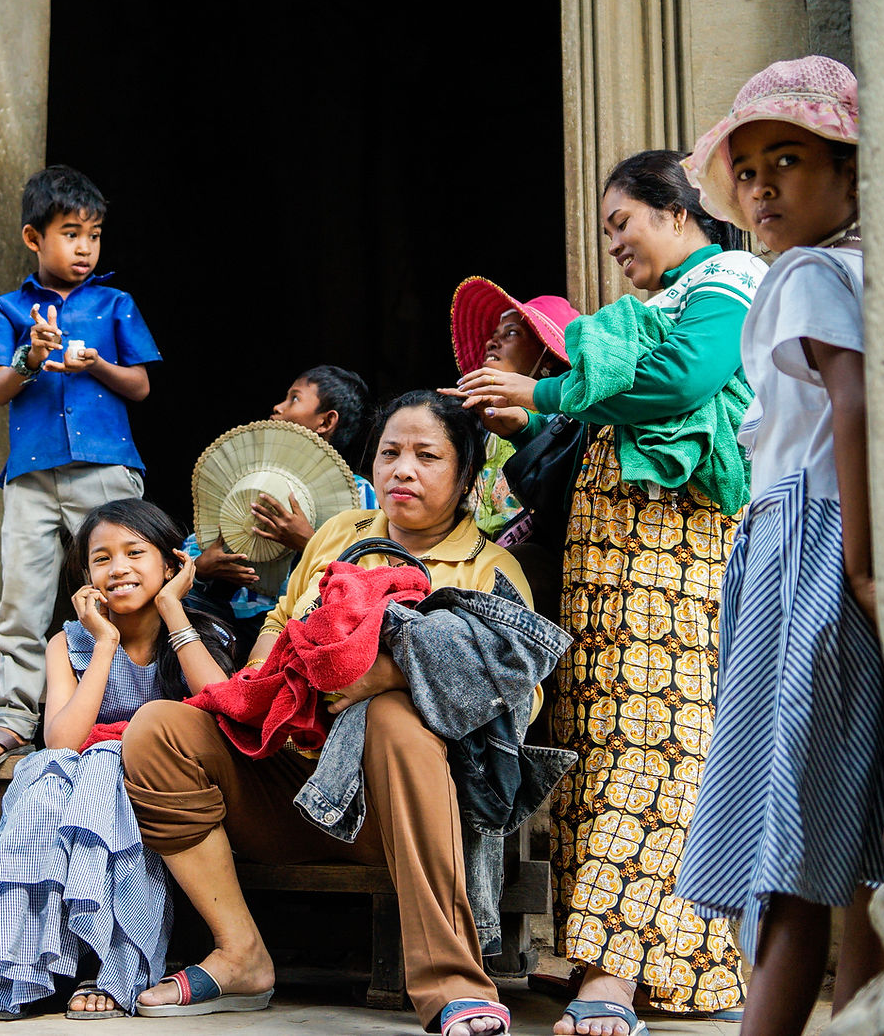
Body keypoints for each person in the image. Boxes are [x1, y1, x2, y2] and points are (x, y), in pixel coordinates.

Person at [120, 390, 568, 1036]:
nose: (402, 470)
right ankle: (241, 951)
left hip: (401, 820)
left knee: (390, 714)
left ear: (467, 477)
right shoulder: (339, 537)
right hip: (293, 788)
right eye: (389, 454)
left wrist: (391, 673)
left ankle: (454, 983)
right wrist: (275, 682)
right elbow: (279, 624)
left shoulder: (487, 570)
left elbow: (515, 701)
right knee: (157, 732)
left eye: (426, 456)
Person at [456, 150, 768, 1036]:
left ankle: (615, 977)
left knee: (655, 746)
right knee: (598, 743)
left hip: (670, 553)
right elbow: (613, 412)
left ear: (677, 210)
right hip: (610, 557)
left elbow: (683, 383)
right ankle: (660, 964)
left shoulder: (729, 277)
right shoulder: (659, 302)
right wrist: (536, 416)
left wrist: (544, 388)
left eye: (621, 222)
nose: (615, 244)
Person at [673, 57, 884, 1036]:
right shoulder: (860, 275)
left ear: (851, 176)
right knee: (853, 836)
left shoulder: (809, 273)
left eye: (789, 160)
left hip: (806, 550)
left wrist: (855, 560)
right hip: (809, 541)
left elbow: (848, 406)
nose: (762, 186)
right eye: (750, 169)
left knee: (791, 829)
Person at [0, 498, 236, 1019]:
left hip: (161, 780)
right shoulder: (70, 641)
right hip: (79, 773)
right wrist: (103, 643)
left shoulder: (202, 629)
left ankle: (112, 966)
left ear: (172, 564)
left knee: (106, 769)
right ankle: (32, 964)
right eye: (101, 559)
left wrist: (173, 609)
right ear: (85, 576)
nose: (118, 568)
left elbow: (224, 704)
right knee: (48, 779)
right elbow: (61, 740)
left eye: (135, 553)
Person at [0, 166, 161, 773]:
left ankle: (142, 706)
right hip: (31, 474)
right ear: (33, 237)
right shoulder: (9, 309)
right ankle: (15, 719)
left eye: (93, 235)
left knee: (126, 585)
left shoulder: (114, 303)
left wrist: (97, 364)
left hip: (106, 468)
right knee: (23, 598)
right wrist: (31, 355)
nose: (84, 247)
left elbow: (141, 386)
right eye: (70, 233)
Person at [182, 364, 377, 651]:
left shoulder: (359, 494)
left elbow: (368, 573)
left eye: (294, 399)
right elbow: (191, 550)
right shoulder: (247, 476)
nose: (278, 406)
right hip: (226, 618)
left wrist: (308, 543)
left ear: (326, 421)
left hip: (302, 626)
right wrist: (202, 568)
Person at [449, 280, 580, 541]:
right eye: (493, 335)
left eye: (510, 333)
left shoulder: (569, 423)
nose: (491, 343)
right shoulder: (480, 424)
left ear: (548, 355)